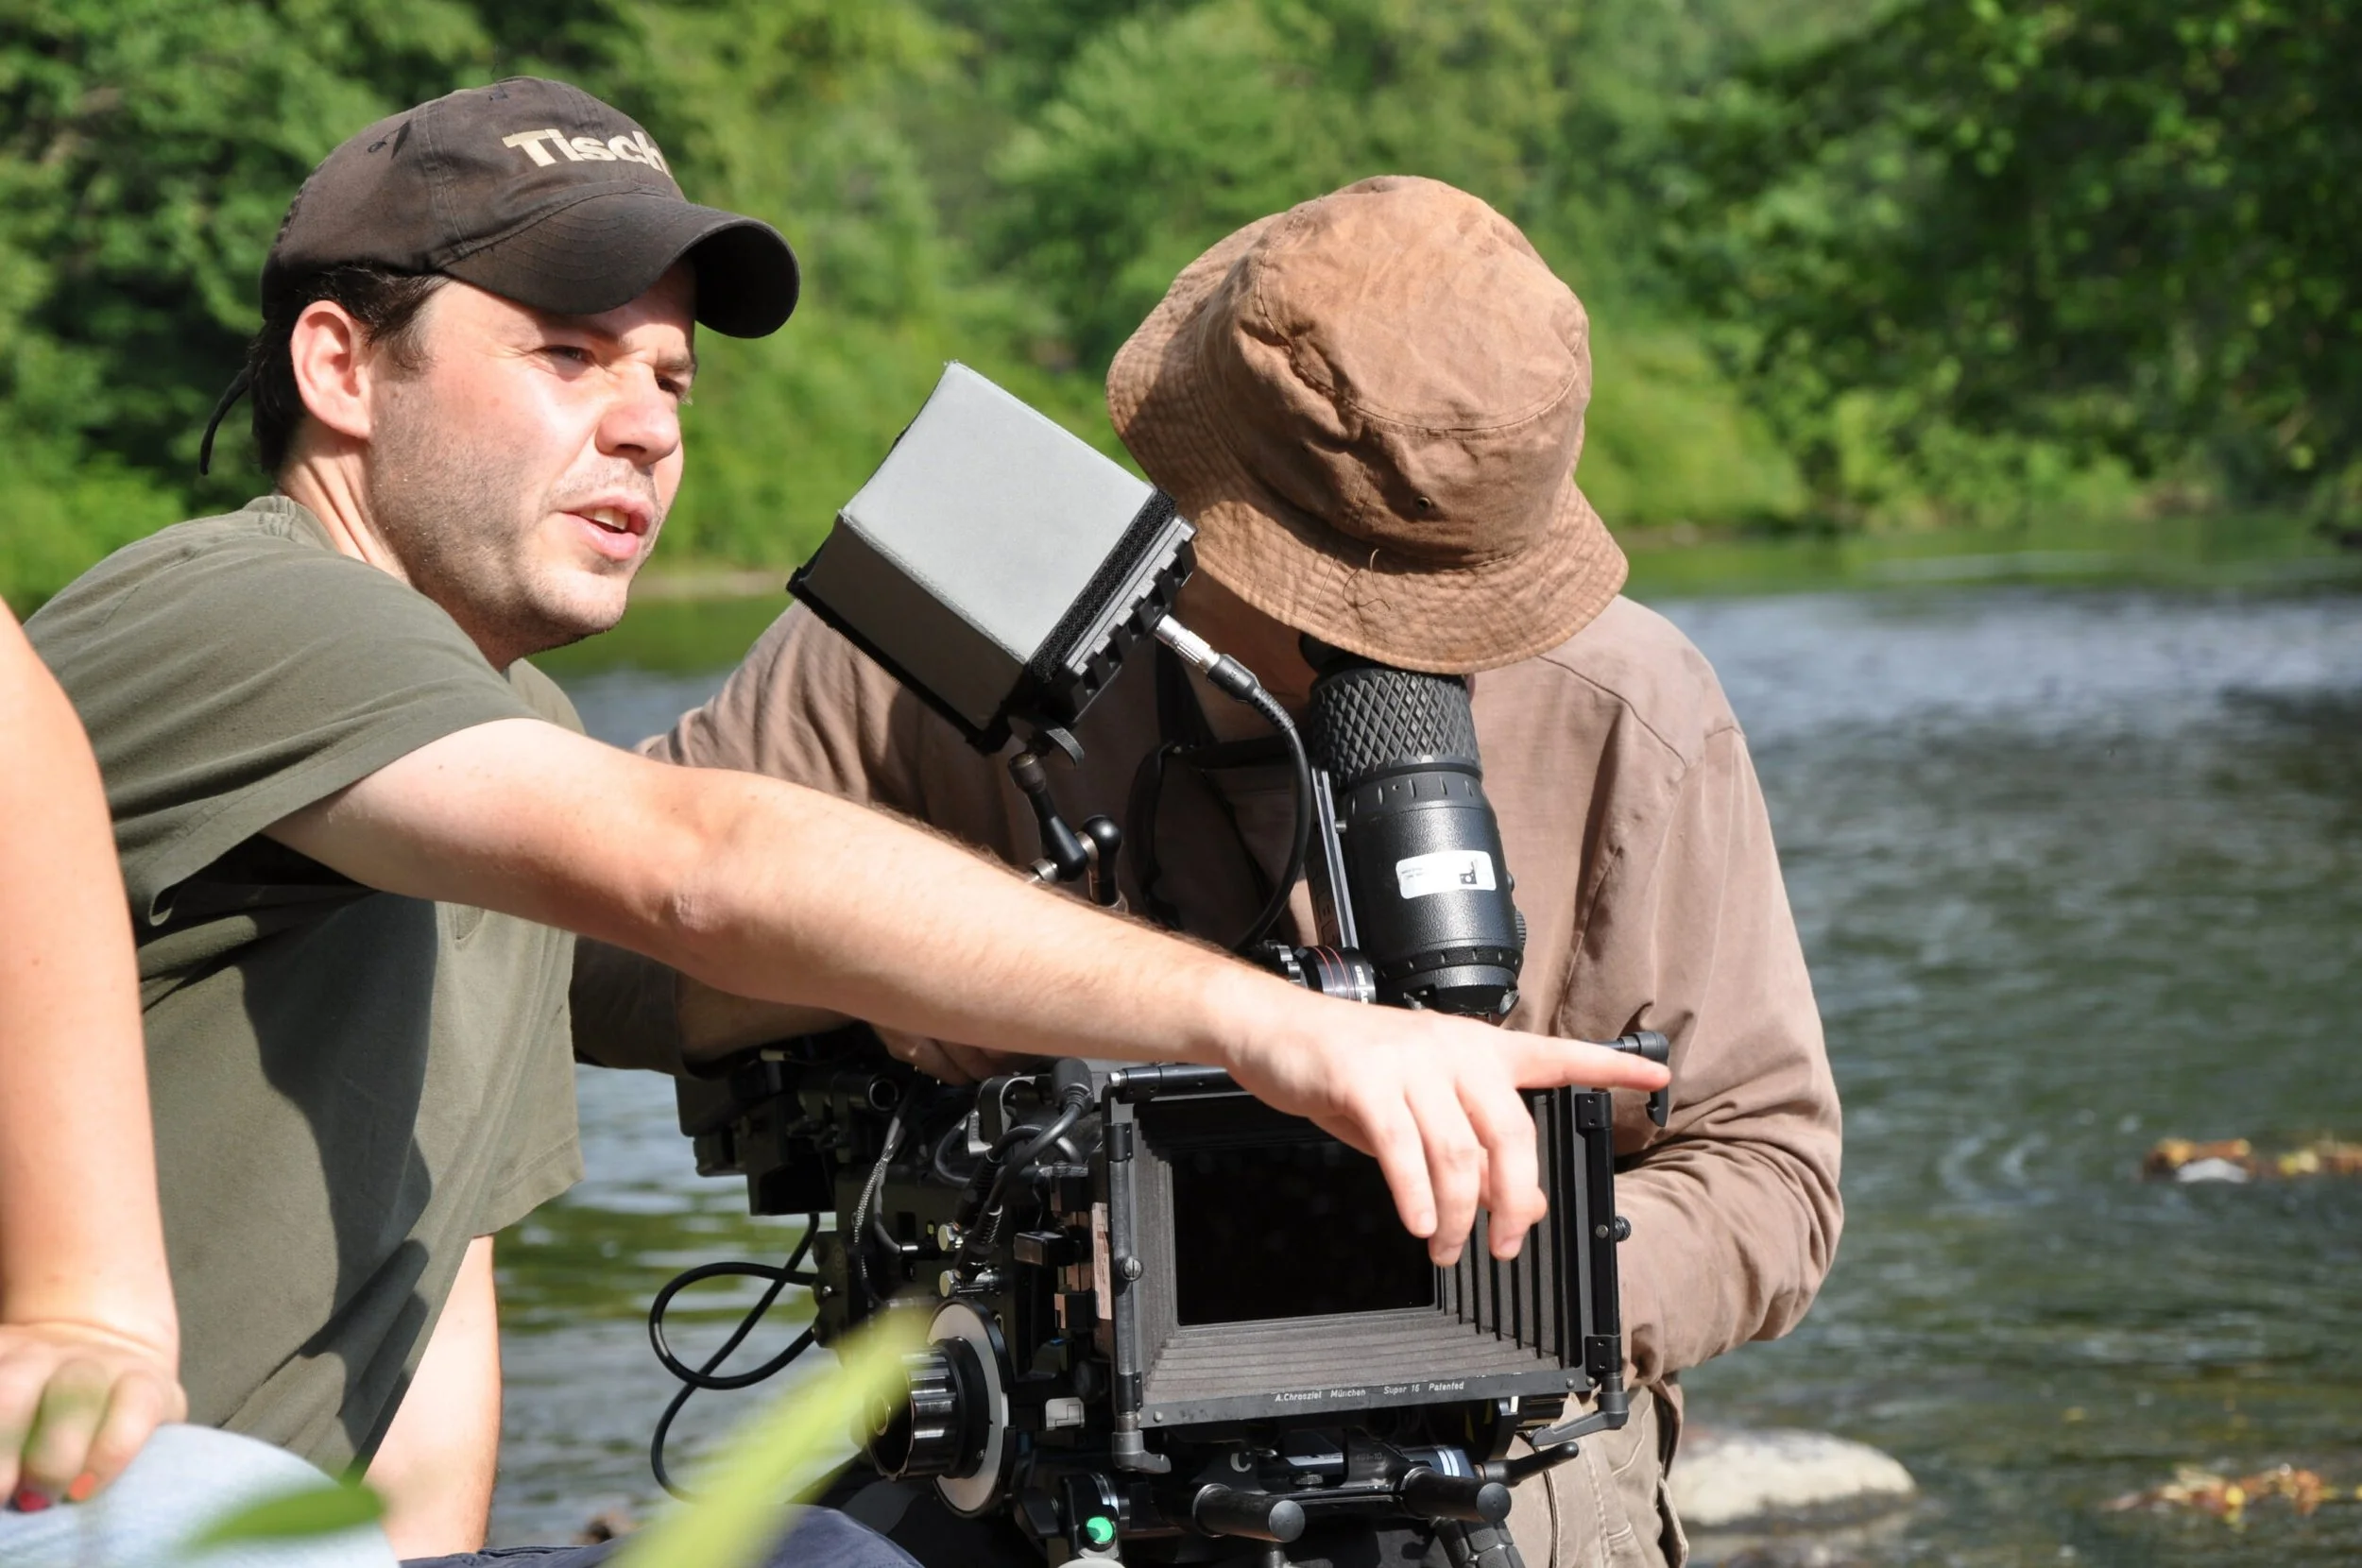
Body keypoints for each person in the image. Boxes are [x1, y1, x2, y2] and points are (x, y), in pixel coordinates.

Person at [16, 80, 1666, 1567]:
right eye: (566, 353)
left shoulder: (496, 742)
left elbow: (428, 1316)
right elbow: (697, 869)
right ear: (339, 367)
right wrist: (1272, 1028)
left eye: (671, 374)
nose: (651, 423)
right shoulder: (236, 607)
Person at [599, 177, 1842, 1568]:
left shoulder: (1629, 704)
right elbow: (594, 957)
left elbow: (1772, 1170)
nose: (1383, 644)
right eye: (1331, 588)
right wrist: (904, 949)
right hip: (1038, 1469)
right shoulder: (925, 644)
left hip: (1495, 1469)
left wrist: (1447, 1296)